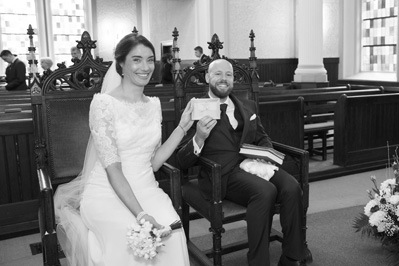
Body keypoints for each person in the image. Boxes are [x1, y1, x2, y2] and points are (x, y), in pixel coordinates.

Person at [54, 33, 192, 266]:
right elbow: (113, 169)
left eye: (150, 60)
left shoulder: (154, 105)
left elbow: (154, 162)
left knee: (173, 232)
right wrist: (141, 214)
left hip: (147, 188)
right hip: (107, 192)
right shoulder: (103, 104)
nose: (145, 67)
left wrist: (182, 128)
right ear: (121, 64)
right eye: (137, 59)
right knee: (129, 234)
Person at [176, 59, 304, 266]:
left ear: (234, 80)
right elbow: (181, 160)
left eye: (228, 75)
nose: (223, 79)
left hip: (254, 164)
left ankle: (291, 256)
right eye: (217, 74)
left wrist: (266, 153)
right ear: (208, 78)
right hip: (222, 174)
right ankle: (258, 262)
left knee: (291, 186)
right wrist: (199, 137)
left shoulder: (248, 106)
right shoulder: (195, 109)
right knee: (265, 191)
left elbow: (261, 136)